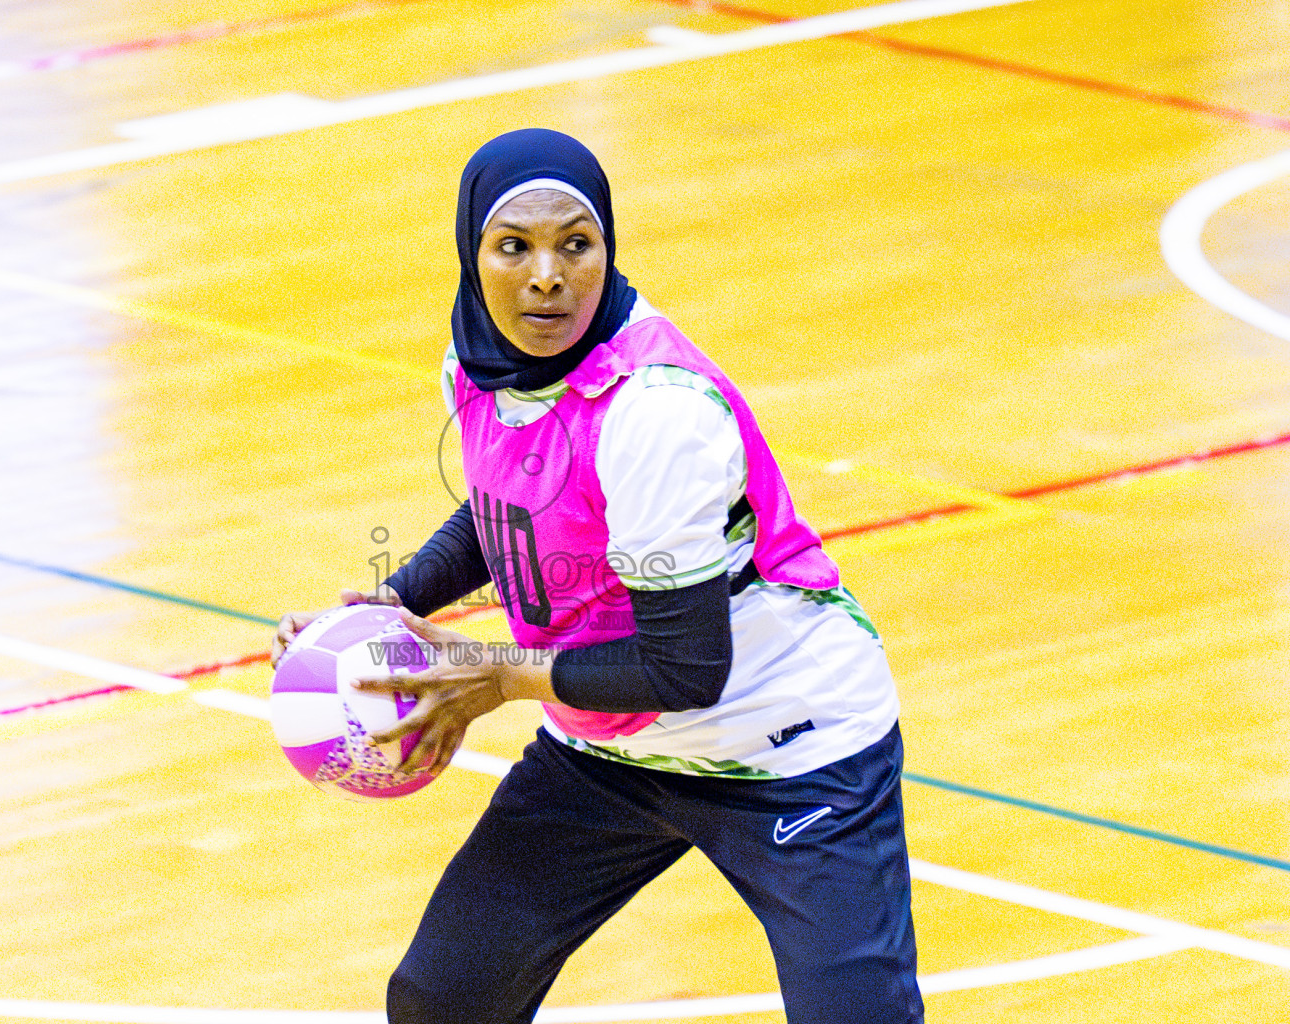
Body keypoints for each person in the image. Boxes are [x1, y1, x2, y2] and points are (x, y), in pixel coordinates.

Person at [273, 128, 924, 1024]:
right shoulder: (484, 358)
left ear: (607, 249)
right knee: (445, 999)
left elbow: (687, 669)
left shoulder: (654, 412)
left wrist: (496, 675)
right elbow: (504, 507)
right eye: (516, 247)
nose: (548, 276)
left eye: (575, 244)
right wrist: (393, 603)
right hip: (608, 751)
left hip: (786, 747)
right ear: (473, 255)